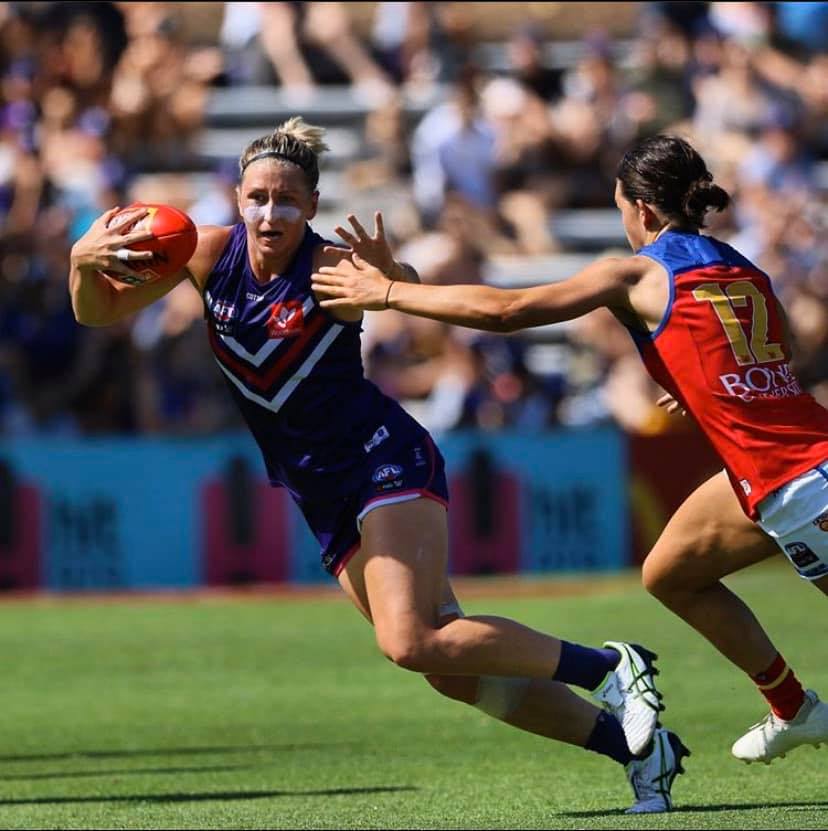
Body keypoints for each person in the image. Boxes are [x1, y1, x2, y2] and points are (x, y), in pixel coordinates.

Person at [68, 117, 688, 814]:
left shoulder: (331, 268)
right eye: (257, 198)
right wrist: (82, 260)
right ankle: (638, 750)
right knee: (448, 670)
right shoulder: (207, 256)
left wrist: (394, 275)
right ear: (237, 199)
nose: (271, 212)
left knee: (409, 638)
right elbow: (97, 314)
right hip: (319, 489)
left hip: (382, 460)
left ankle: (610, 665)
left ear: (313, 203)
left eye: (288, 199)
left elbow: (412, 291)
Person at [312, 133, 828, 766]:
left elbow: (510, 310)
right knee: (671, 574)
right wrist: (702, 388)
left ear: (641, 210)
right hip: (779, 463)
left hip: (801, 481)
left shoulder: (637, 270)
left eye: (618, 207)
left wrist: (387, 293)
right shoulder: (744, 268)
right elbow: (785, 357)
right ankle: (792, 707)